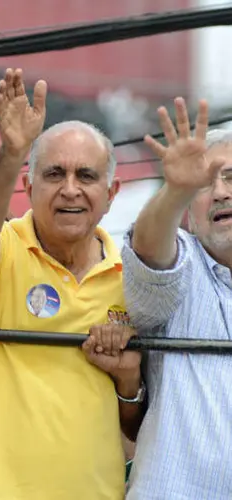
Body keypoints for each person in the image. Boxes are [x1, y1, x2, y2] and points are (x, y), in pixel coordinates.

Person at [0, 68, 144, 499]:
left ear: (112, 193)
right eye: (54, 174)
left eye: (86, 177)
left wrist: (129, 382)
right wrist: (13, 149)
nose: (70, 190)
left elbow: (137, 423)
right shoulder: (3, 247)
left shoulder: (134, 276)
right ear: (27, 184)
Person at [122, 97, 232, 498]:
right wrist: (174, 192)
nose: (219, 192)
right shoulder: (183, 262)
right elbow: (151, 258)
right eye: (204, 184)